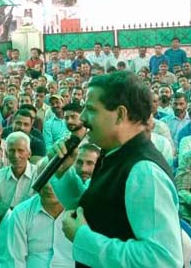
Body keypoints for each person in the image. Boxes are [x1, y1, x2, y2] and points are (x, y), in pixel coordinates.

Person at [51, 71, 183, 267]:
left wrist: (83, 238)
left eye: (91, 110)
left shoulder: (144, 171)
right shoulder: (114, 154)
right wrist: (62, 171)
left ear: (120, 114)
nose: (83, 118)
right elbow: (97, 210)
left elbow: (162, 259)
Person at [0, 180, 74, 268]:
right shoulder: (21, 213)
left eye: (55, 179)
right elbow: (14, 260)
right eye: (45, 178)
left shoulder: (81, 210)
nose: (48, 186)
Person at [0, 131, 38, 208]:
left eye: (20, 151)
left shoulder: (38, 174)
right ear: (7, 154)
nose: (16, 155)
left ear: (29, 154)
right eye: (12, 151)